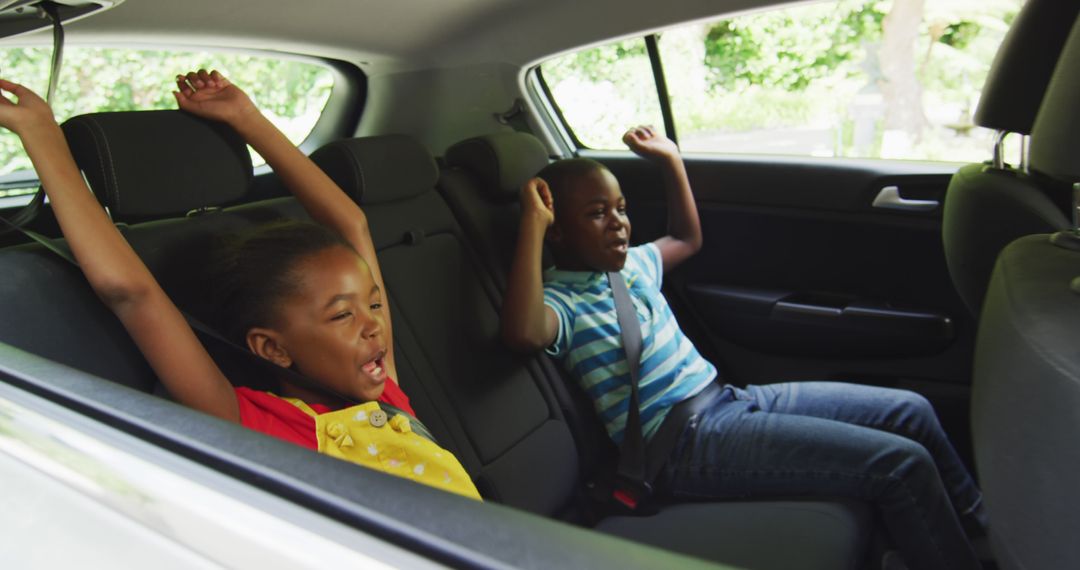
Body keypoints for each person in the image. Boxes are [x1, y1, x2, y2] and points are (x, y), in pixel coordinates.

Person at [500, 125, 986, 569]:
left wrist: (670, 160)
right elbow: (523, 332)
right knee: (900, 464)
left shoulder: (632, 268)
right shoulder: (561, 301)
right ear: (558, 230)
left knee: (911, 410)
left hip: (729, 400)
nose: (619, 224)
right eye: (596, 214)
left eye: (621, 209)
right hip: (682, 446)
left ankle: (979, 535)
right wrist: (533, 224)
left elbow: (687, 238)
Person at [0, 70, 479, 500]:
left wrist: (248, 119)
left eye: (373, 305)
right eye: (342, 314)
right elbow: (133, 295)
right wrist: (41, 135)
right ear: (271, 348)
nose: (374, 325)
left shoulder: (386, 394)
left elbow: (352, 225)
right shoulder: (261, 426)